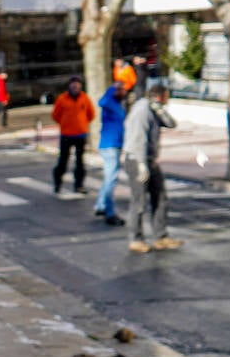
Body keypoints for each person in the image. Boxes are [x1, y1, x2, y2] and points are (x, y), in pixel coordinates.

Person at [123, 82, 181, 253]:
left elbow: (171, 124)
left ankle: (161, 236)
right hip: (137, 159)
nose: (168, 101)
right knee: (139, 201)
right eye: (167, 97)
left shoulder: (154, 109)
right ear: (160, 96)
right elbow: (138, 139)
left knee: (160, 197)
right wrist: (141, 165)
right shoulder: (142, 110)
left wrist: (160, 110)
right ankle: (136, 239)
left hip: (150, 160)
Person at [94, 79, 129, 225]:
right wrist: (112, 88)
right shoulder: (109, 103)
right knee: (111, 179)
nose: (123, 92)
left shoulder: (118, 105)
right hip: (109, 145)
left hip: (115, 145)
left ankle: (101, 205)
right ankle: (109, 212)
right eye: (120, 89)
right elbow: (101, 102)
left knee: (109, 178)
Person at [51, 76, 95, 194]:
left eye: (77, 86)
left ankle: (79, 185)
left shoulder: (84, 98)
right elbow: (56, 115)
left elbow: (91, 114)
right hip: (66, 134)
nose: (75, 88)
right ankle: (58, 183)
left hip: (80, 135)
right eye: (73, 86)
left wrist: (82, 124)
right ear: (69, 87)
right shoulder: (62, 99)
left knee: (80, 162)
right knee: (63, 160)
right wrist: (65, 124)